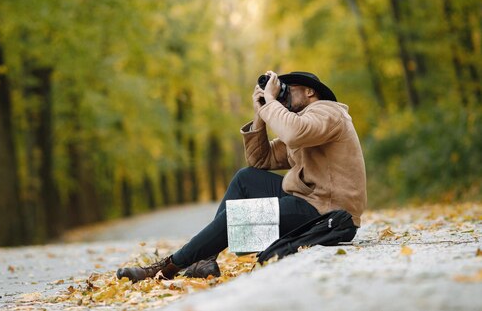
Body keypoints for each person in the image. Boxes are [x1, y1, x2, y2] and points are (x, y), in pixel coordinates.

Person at [117, 71, 367, 282]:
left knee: (242, 218)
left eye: (288, 91)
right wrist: (260, 114)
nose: (283, 97)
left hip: (329, 212)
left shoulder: (328, 113)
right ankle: (205, 261)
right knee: (245, 178)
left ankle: (166, 268)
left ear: (310, 92)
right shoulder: (304, 125)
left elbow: (293, 133)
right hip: (310, 200)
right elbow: (260, 160)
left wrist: (271, 101)